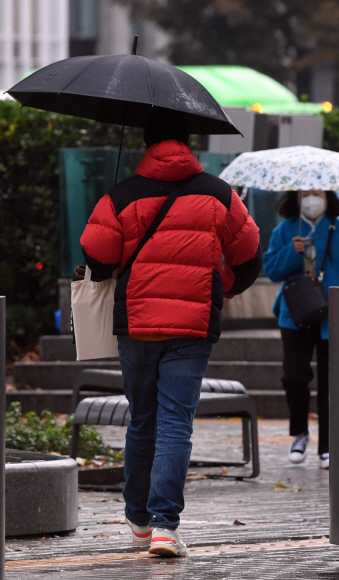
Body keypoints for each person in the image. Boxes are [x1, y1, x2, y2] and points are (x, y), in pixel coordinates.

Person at [79, 109, 262, 557]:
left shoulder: (121, 196)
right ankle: (165, 526)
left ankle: (138, 519)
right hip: (193, 325)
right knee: (176, 422)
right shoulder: (220, 195)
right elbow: (250, 256)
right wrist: (224, 288)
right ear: (190, 144)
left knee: (142, 420)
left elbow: (98, 263)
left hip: (137, 326)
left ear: (145, 144)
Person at [263, 189, 339, 470]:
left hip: (332, 317)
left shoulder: (337, 227)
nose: (312, 199)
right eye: (306, 193)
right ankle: (300, 434)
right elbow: (271, 269)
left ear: (329, 197)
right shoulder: (285, 230)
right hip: (294, 315)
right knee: (294, 377)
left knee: (331, 384)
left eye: (317, 193)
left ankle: (329, 445)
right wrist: (291, 252)